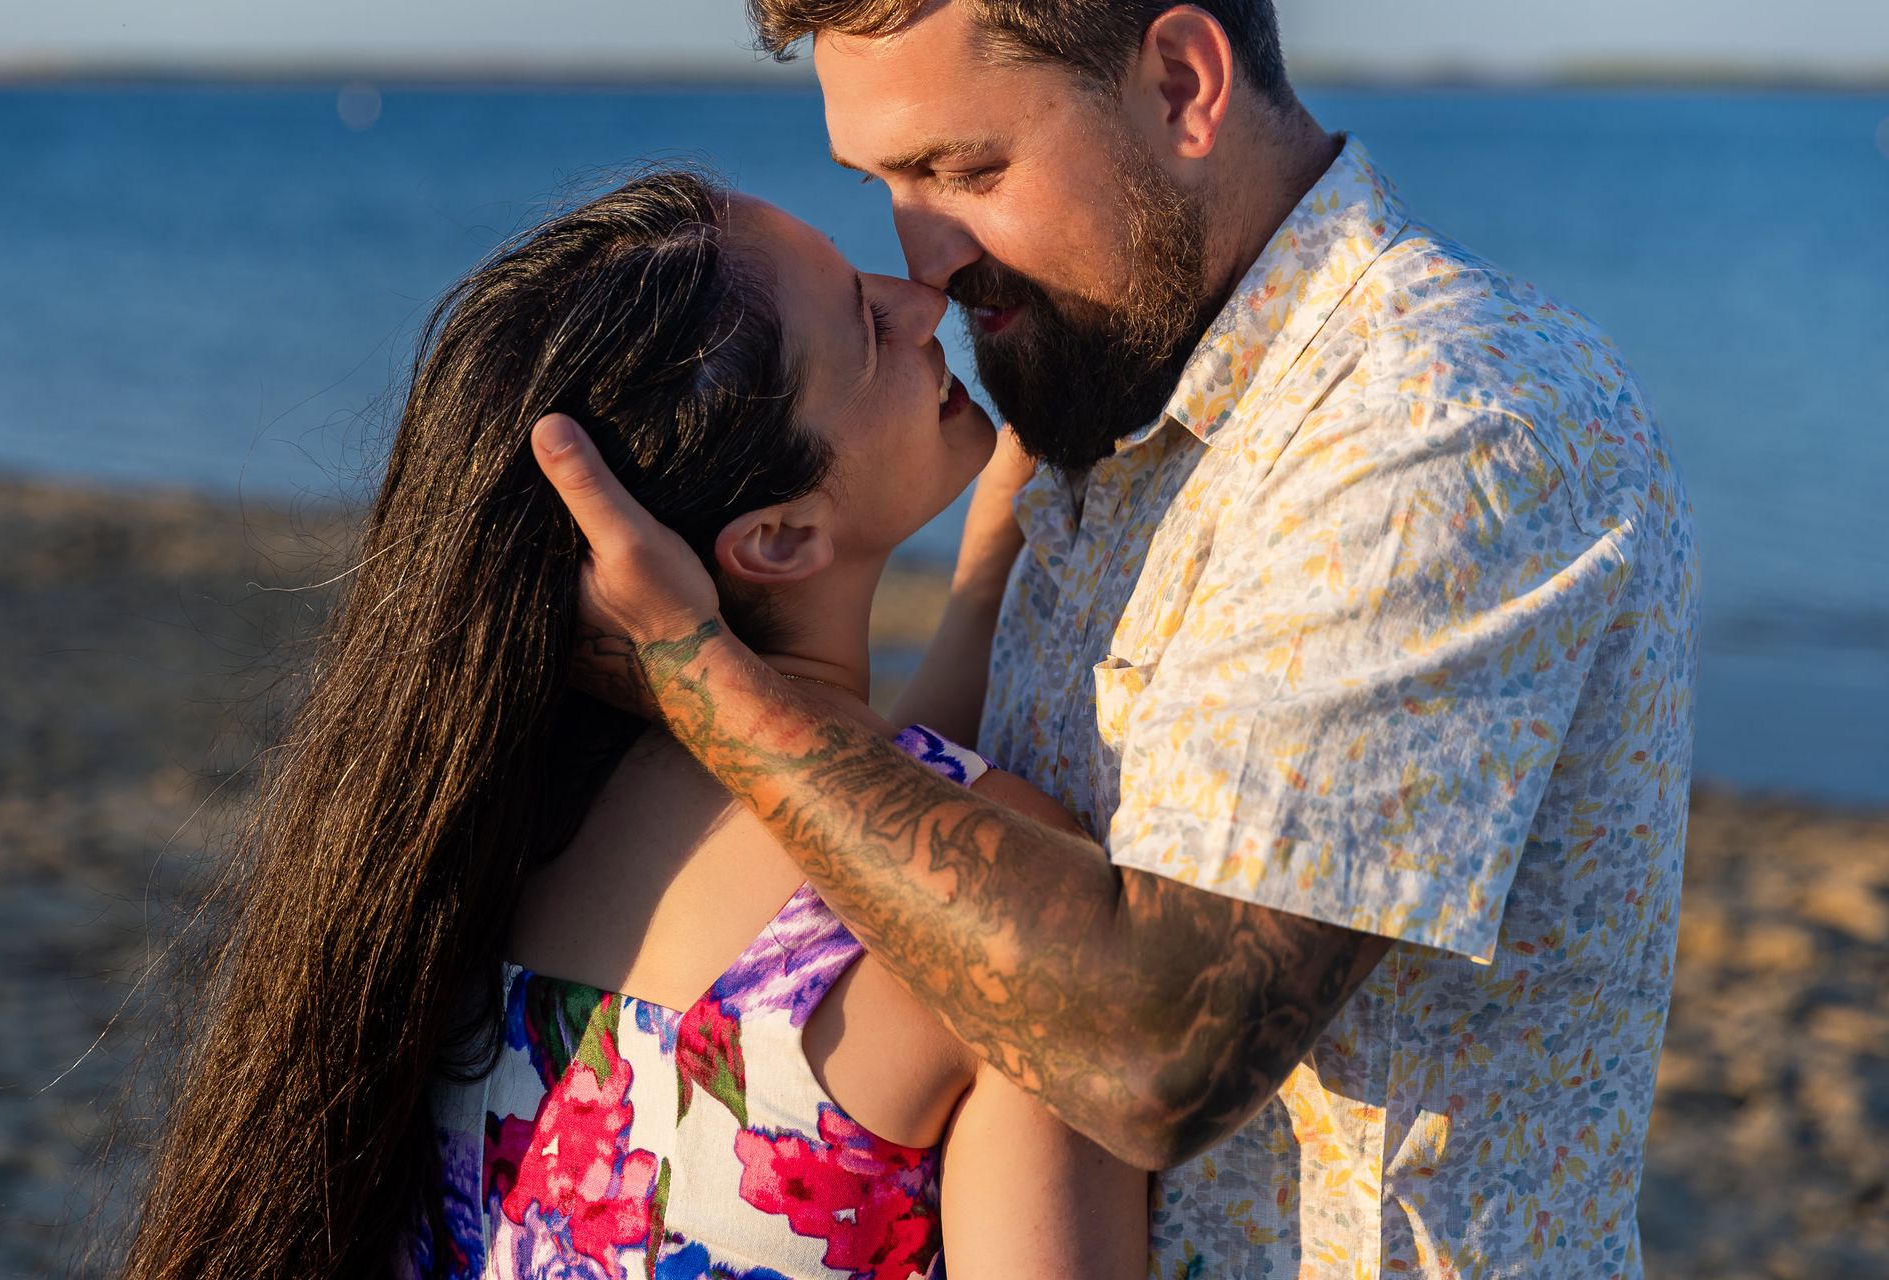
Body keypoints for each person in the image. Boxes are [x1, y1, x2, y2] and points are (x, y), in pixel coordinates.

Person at [529, 1, 1701, 1276]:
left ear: (1186, 83)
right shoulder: (1109, 388)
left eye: (965, 169)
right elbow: (935, 844)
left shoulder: (1437, 422)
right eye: (885, 183)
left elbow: (1150, 1051)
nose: (923, 263)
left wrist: (712, 685)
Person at [117, 174, 1148, 1280]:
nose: (919, 300)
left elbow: (848, 803)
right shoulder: (995, 911)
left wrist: (1001, 538)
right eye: (863, 320)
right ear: (783, 536)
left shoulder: (478, 853)